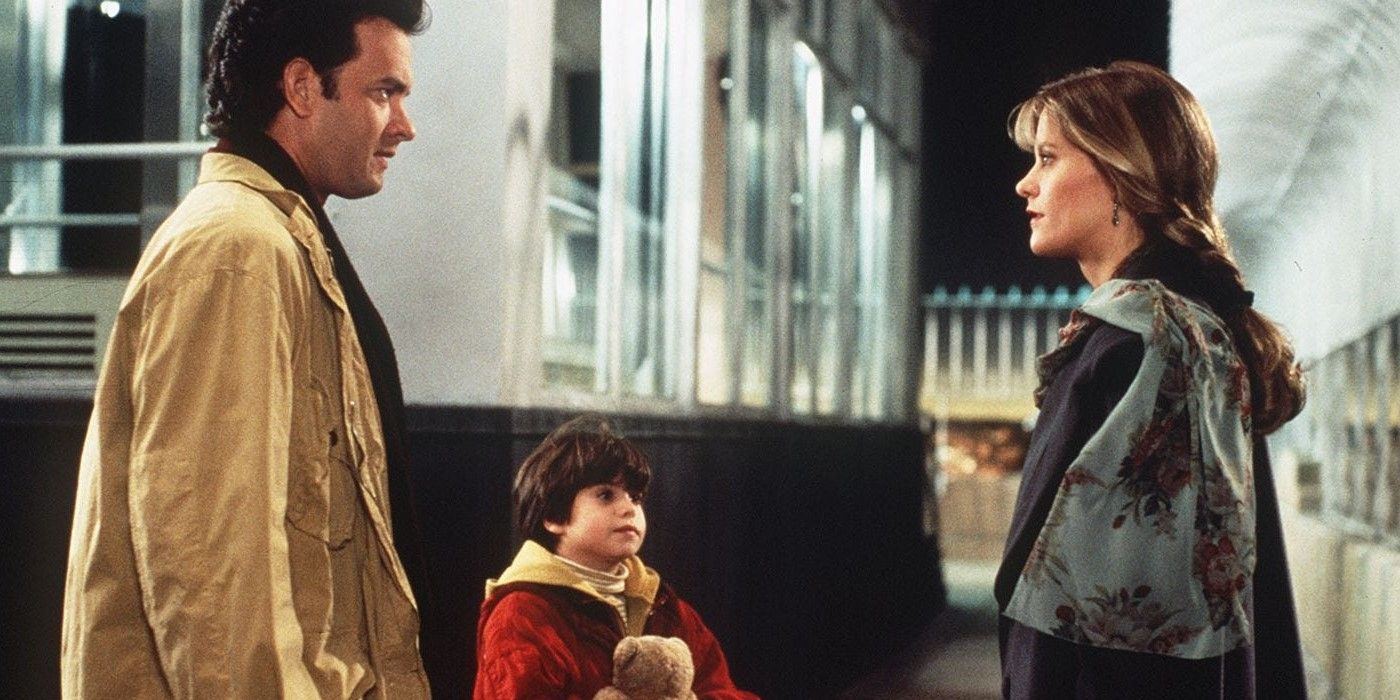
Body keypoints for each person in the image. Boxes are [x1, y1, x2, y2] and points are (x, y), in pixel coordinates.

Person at [61, 1, 432, 696]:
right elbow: (213, 584)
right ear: (300, 88)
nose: (405, 127)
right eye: (384, 93)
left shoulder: (280, 240)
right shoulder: (237, 249)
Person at [994, 61, 1308, 699]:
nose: (1026, 184)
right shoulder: (1192, 329)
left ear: (1120, 175)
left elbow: (1098, 630)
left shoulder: (1138, 345)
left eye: (1049, 158)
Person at [473, 415, 758, 699]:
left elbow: (721, 689)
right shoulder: (522, 615)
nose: (629, 508)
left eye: (635, 497)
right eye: (606, 495)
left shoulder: (665, 607)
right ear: (553, 516)